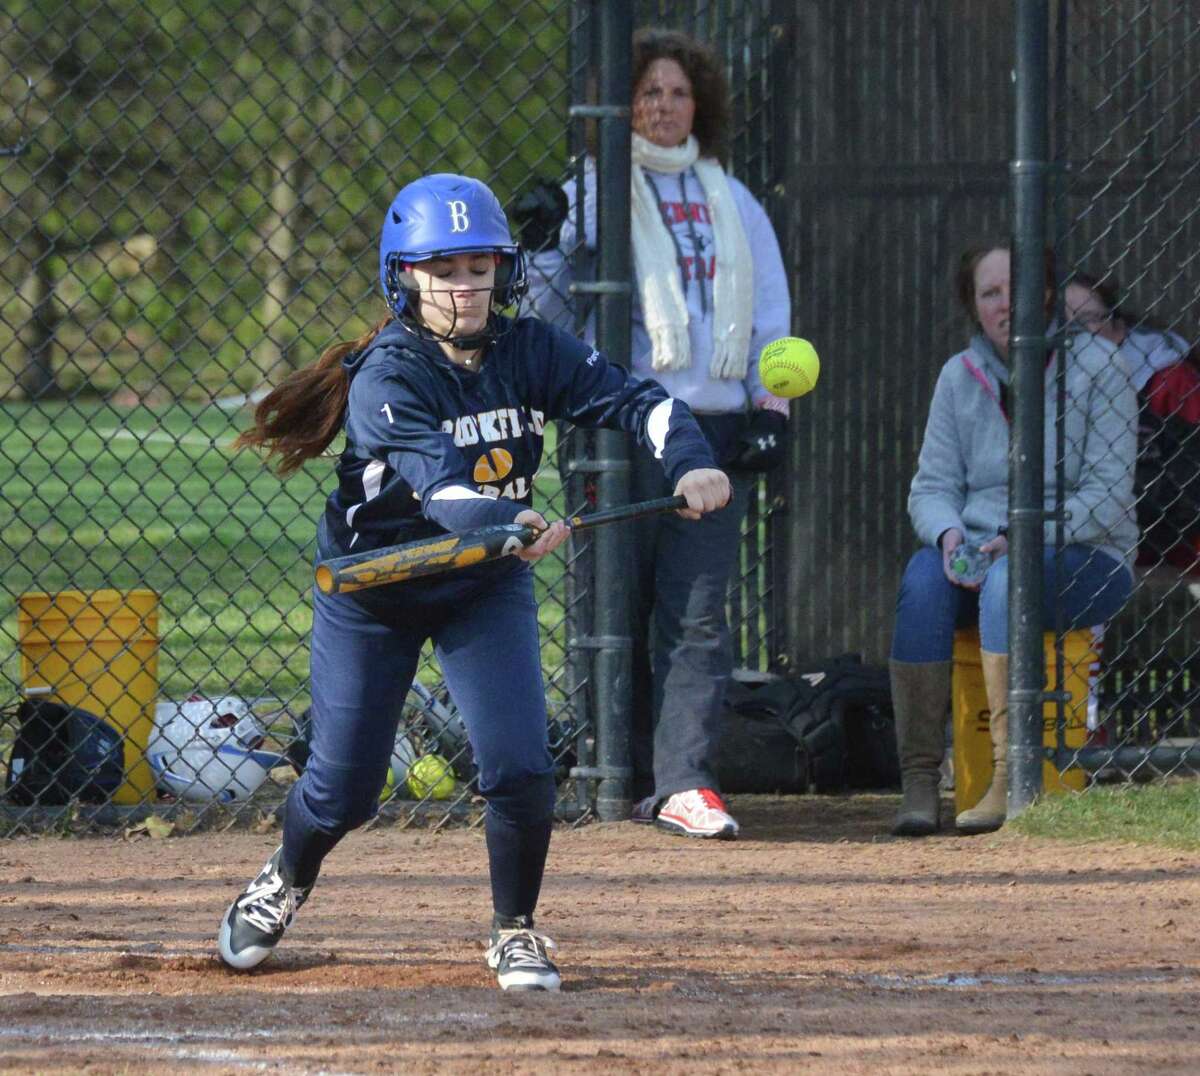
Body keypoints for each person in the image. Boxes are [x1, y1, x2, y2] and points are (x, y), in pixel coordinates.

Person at [217, 173, 730, 991]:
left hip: (482, 584)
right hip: (376, 589)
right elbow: (444, 493)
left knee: (522, 767)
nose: (464, 287)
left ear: (504, 270)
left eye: (478, 267)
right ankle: (286, 875)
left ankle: (514, 929)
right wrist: (510, 521)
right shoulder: (388, 375)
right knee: (345, 790)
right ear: (404, 279)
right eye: (443, 270)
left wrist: (691, 462)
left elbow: (643, 403)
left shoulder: (531, 349)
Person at [517, 27, 792, 840]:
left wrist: (769, 409)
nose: (663, 106)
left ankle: (684, 781)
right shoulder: (592, 192)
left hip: (713, 430)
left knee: (697, 611)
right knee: (615, 609)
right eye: (647, 92)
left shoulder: (732, 200)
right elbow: (543, 314)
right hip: (622, 427)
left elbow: (770, 313)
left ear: (699, 104)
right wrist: (543, 243)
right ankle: (616, 772)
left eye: (678, 92)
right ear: (620, 105)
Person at [890, 243, 1139, 837]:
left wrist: (1022, 537)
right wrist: (949, 534)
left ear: (1046, 295)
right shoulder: (959, 375)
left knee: (1010, 579)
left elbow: (1108, 494)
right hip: (979, 550)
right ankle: (920, 781)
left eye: (1017, 290)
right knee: (922, 583)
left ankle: (1009, 775)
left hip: (1086, 554)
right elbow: (931, 488)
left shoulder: (1101, 366)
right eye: (990, 293)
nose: (1005, 304)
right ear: (974, 306)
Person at [1064, 273, 1200, 566]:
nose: (1074, 331)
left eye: (1087, 319)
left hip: (1173, 539)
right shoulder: (1049, 384)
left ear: (1118, 328)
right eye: (1062, 322)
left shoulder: (1167, 379)